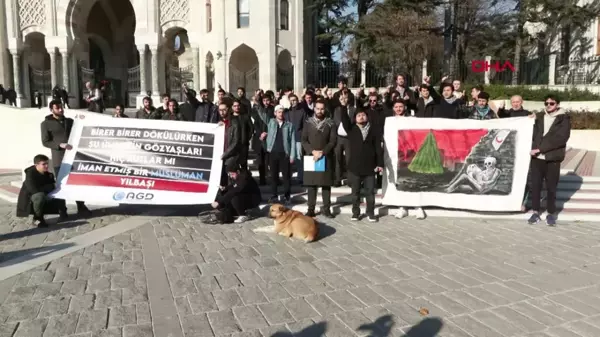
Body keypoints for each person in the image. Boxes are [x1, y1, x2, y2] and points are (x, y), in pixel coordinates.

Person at [41, 100, 92, 217]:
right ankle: (62, 210)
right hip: (59, 158)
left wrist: (82, 120)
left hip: (73, 157)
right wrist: (59, 145)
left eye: (61, 107)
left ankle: (81, 205)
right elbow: (45, 141)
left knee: (77, 182)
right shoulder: (46, 124)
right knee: (61, 185)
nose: (60, 109)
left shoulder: (69, 121)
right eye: (57, 108)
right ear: (51, 110)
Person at [528, 95, 571, 226]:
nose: (548, 105)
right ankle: (535, 212)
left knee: (551, 187)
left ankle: (551, 213)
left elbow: (560, 138)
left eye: (551, 103)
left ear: (557, 104)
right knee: (535, 186)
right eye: (546, 103)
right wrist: (528, 121)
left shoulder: (564, 119)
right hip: (537, 159)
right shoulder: (539, 117)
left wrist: (540, 149)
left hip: (552, 158)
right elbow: (533, 134)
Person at [339, 105, 383, 222]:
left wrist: (380, 164)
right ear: (355, 118)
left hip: (370, 167)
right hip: (355, 167)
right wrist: (343, 107)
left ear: (367, 117)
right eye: (359, 115)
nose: (361, 117)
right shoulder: (352, 129)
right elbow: (344, 120)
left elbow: (378, 148)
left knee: (370, 192)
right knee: (355, 193)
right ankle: (356, 212)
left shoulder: (373, 130)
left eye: (363, 115)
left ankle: (370, 212)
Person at [301, 99, 337, 218]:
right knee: (312, 185)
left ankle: (326, 209)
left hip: (325, 156)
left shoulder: (330, 123)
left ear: (325, 109)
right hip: (311, 157)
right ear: (314, 108)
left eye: (322, 108)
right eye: (318, 108)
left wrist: (323, 152)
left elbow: (332, 141)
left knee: (326, 185)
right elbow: (304, 140)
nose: (320, 111)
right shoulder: (308, 122)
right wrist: (312, 151)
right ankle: (311, 209)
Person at [16, 154, 67, 228]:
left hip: (43, 194)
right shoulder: (30, 174)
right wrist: (46, 189)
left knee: (59, 191)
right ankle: (37, 218)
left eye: (47, 163)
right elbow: (33, 189)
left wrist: (50, 189)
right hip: (30, 197)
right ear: (36, 165)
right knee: (39, 196)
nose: (46, 166)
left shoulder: (49, 175)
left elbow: (52, 187)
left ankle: (63, 212)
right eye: (44, 164)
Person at [266, 105, 297, 204]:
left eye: (282, 112)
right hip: (273, 152)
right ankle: (273, 195)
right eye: (279, 112)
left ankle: (287, 196)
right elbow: (262, 115)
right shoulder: (271, 122)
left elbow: (292, 141)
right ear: (275, 113)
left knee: (286, 176)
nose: (281, 114)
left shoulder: (289, 125)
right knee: (273, 175)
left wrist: (292, 155)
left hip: (285, 153)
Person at [332, 89, 356, 186]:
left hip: (348, 138)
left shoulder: (353, 110)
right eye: (342, 97)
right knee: (338, 159)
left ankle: (350, 180)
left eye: (345, 97)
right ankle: (338, 179)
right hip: (339, 138)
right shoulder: (337, 110)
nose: (343, 99)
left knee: (349, 159)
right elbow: (335, 123)